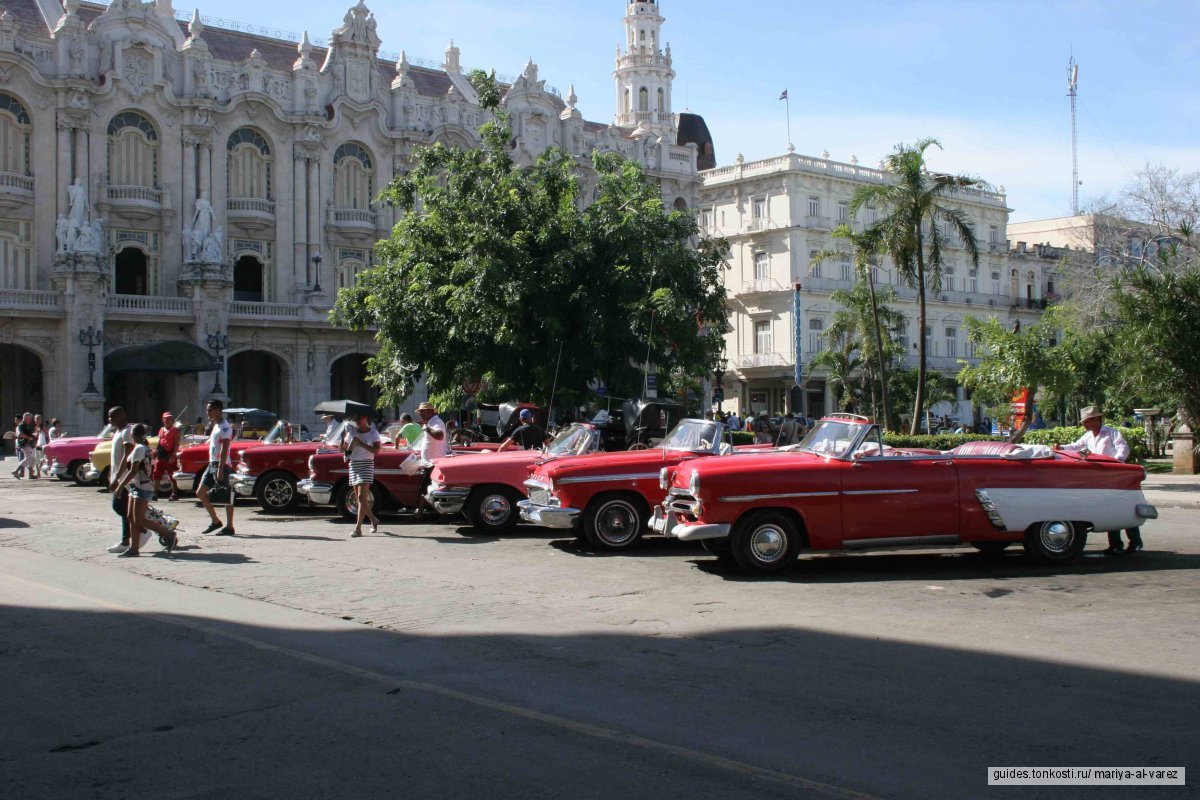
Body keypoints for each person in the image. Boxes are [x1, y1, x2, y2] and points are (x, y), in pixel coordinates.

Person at [1056, 405, 1142, 555]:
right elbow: (1077, 447)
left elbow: (1123, 448)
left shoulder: (1111, 433)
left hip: (1114, 474)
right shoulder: (1088, 437)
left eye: (1086, 421)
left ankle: (1135, 541)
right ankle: (1115, 543)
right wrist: (1061, 448)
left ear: (1096, 420)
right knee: (1109, 509)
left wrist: (1117, 462)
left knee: (1123, 508)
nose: (1084, 425)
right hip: (1098, 477)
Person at [111, 424, 179, 557]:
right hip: (137, 486)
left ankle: (168, 534)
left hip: (142, 488)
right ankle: (134, 548)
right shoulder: (144, 448)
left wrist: (120, 485)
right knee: (131, 517)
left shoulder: (139, 449)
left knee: (139, 519)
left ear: (132, 436)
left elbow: (133, 470)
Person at [197, 399, 236, 536]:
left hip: (222, 464)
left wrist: (220, 468)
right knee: (200, 492)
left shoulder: (225, 427)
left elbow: (225, 449)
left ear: (218, 410)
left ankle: (230, 526)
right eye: (208, 410)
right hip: (212, 463)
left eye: (210, 410)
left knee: (226, 495)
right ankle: (215, 521)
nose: (208, 412)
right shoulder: (216, 425)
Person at [343, 412, 382, 537]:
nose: (358, 420)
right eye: (356, 418)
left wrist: (361, 444)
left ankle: (358, 528)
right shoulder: (351, 433)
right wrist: (344, 439)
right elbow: (344, 450)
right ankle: (373, 519)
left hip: (366, 464)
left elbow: (376, 451)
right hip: (354, 465)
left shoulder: (373, 433)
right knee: (360, 498)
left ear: (366, 418)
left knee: (361, 497)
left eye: (360, 417)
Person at [105, 407, 136, 553]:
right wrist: (112, 475)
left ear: (120, 416)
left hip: (124, 479)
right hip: (118, 476)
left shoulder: (127, 431)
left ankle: (130, 537)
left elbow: (127, 454)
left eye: (111, 417)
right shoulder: (118, 432)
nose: (109, 419)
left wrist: (117, 477)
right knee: (122, 508)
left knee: (121, 507)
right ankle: (133, 534)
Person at [415, 402, 448, 514]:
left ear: (429, 411)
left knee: (429, 489)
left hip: (433, 463)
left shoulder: (436, 422)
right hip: (429, 462)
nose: (421, 414)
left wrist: (427, 429)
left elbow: (439, 435)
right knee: (426, 489)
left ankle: (422, 513)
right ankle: (421, 512)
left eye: (422, 411)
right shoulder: (430, 423)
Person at [154, 412, 182, 501]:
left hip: (170, 456)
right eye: (166, 419)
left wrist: (173, 455)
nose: (167, 420)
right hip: (160, 456)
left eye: (169, 419)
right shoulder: (161, 429)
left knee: (172, 475)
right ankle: (154, 493)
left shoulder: (175, 430)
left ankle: (174, 494)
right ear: (163, 420)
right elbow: (160, 441)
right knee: (156, 474)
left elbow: (177, 444)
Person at [12, 412, 36, 479]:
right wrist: (29, 438)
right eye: (30, 418)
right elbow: (20, 434)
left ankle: (31, 474)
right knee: (28, 458)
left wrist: (33, 436)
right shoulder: (22, 425)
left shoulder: (25, 425)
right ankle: (16, 471)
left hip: (28, 444)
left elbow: (27, 434)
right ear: (26, 418)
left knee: (33, 458)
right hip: (26, 444)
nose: (31, 420)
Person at [32, 414, 48, 478]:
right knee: (37, 459)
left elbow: (46, 436)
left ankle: (42, 469)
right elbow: (35, 437)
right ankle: (38, 473)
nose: (36, 420)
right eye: (35, 419)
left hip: (42, 445)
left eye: (38, 419)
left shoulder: (43, 427)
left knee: (42, 458)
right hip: (37, 445)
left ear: (40, 420)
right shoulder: (35, 427)